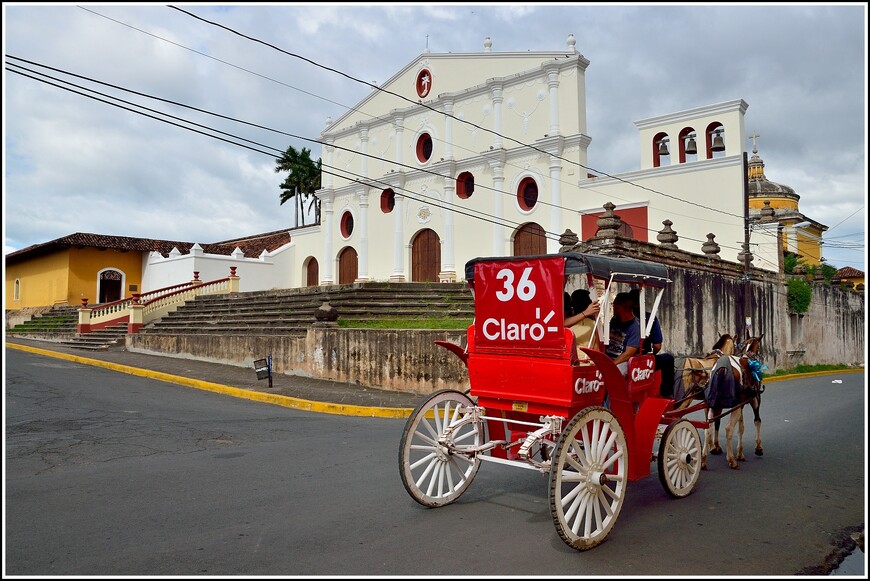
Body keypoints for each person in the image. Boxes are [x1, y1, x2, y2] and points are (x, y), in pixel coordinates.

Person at [627, 288, 675, 397]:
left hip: (621, 355)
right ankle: (666, 393)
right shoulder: (648, 318)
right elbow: (657, 346)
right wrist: (651, 354)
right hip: (639, 360)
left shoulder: (617, 318)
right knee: (668, 359)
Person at [605, 292, 641, 375]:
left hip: (623, 361)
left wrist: (611, 365)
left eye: (614, 305)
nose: (613, 307)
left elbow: (628, 353)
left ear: (620, 307)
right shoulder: (614, 320)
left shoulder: (635, 326)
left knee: (616, 373)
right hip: (609, 357)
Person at [564, 289, 601, 359]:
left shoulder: (592, 324)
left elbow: (596, 349)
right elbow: (597, 349)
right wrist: (586, 312)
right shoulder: (592, 323)